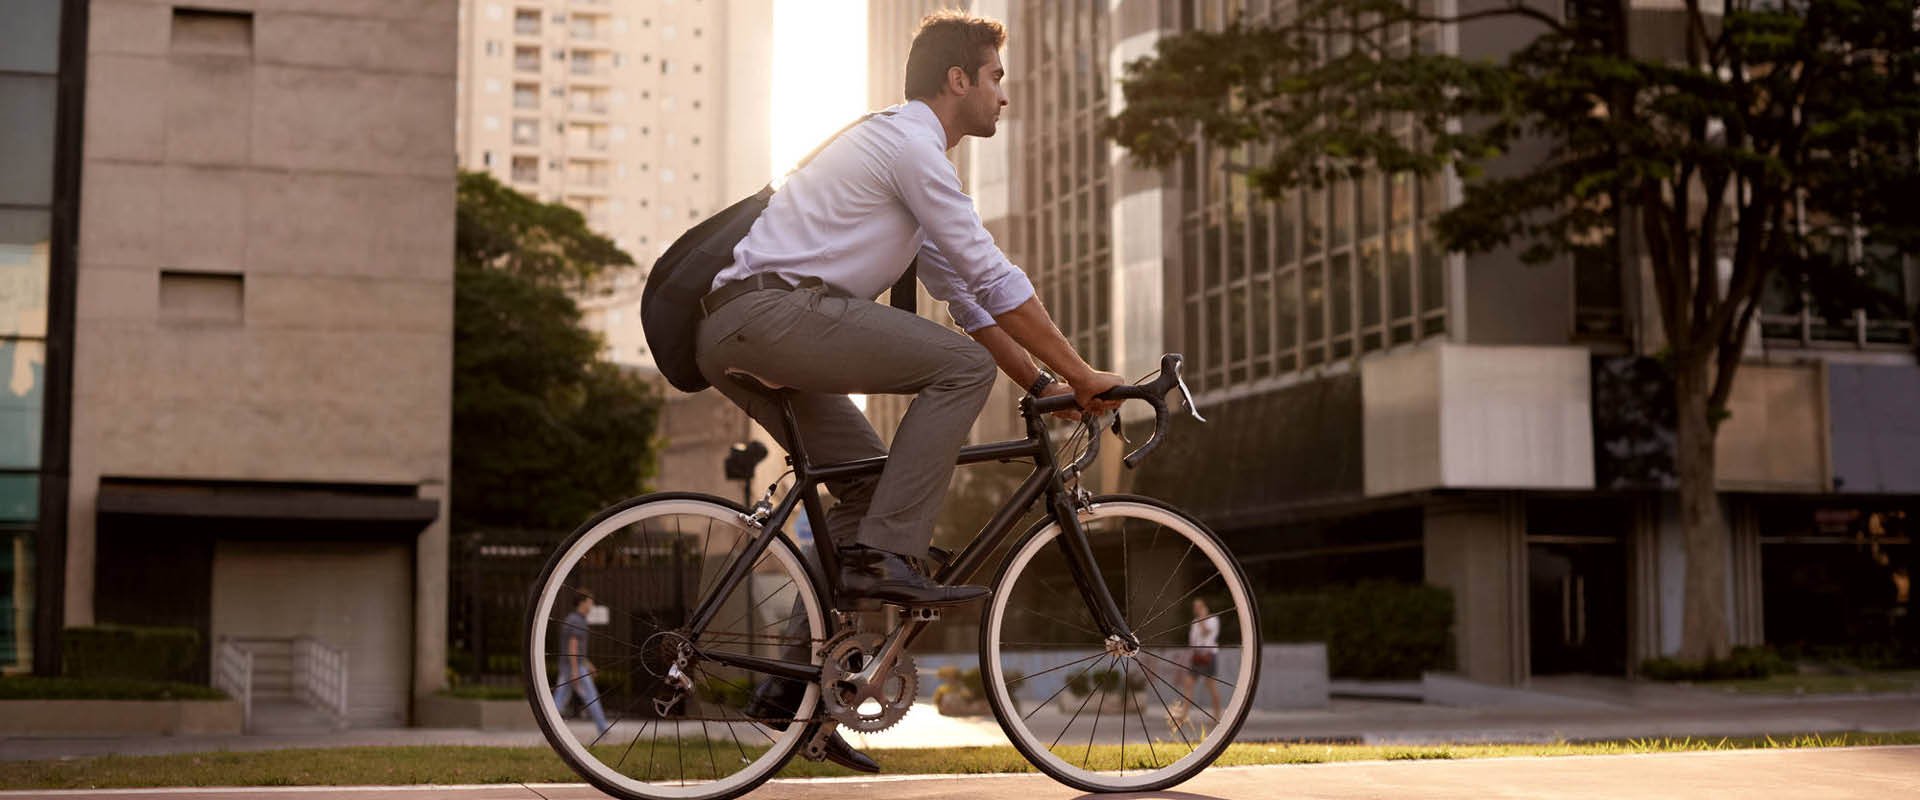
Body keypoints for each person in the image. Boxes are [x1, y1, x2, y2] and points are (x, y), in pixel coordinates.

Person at [705, 11, 1123, 773]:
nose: (1005, 96)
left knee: (868, 495)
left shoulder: (904, 159)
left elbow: (969, 298)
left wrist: (1047, 385)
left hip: (749, 328)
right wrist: (1089, 375)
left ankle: (796, 703)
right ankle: (886, 556)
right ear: (956, 80)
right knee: (955, 377)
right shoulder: (911, 145)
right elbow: (994, 274)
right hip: (769, 315)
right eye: (996, 78)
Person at [551, 589, 610, 737]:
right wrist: (576, 670)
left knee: (561, 697)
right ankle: (603, 728)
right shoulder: (576, 621)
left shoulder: (575, 619)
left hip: (571, 666)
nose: (592, 605)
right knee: (591, 696)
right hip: (573, 667)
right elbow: (572, 646)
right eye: (590, 602)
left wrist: (588, 665)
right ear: (582, 603)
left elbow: (577, 650)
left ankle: (550, 727)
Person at [1182, 597, 1223, 722]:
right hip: (1197, 656)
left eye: (1199, 606)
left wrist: (1202, 619)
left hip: (1209, 655)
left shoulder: (1213, 620)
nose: (1197, 609)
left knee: (1211, 685)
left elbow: (1207, 633)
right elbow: (1192, 641)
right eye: (1195, 607)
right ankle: (1183, 715)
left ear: (1205, 607)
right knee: (1188, 684)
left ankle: (1217, 715)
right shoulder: (1194, 623)